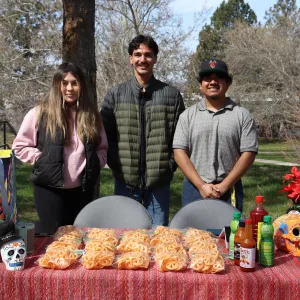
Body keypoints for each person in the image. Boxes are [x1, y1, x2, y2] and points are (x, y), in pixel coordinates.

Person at [101, 35, 185, 226]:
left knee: (157, 240)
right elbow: (106, 137)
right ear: (130, 58)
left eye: (148, 55)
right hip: (125, 182)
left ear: (155, 58)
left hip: (159, 185)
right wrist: (116, 164)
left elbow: (180, 137)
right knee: (126, 240)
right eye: (137, 54)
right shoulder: (115, 95)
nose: (142, 59)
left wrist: (168, 166)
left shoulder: (171, 95)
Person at [12, 62, 107, 227]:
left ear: (81, 86)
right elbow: (20, 146)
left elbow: (102, 148)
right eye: (64, 83)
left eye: (74, 83)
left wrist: (94, 163)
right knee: (54, 241)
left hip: (83, 191)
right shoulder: (40, 113)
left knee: (83, 238)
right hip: (49, 191)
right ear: (57, 85)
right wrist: (42, 159)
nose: (69, 88)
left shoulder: (91, 115)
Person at [173, 58, 258, 212]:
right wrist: (201, 185)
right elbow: (179, 152)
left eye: (218, 77)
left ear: (227, 83)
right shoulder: (187, 116)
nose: (212, 82)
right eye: (207, 78)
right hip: (195, 188)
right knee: (194, 235)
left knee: (228, 236)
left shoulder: (242, 115)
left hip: (229, 189)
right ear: (200, 84)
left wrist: (224, 186)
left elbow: (249, 153)